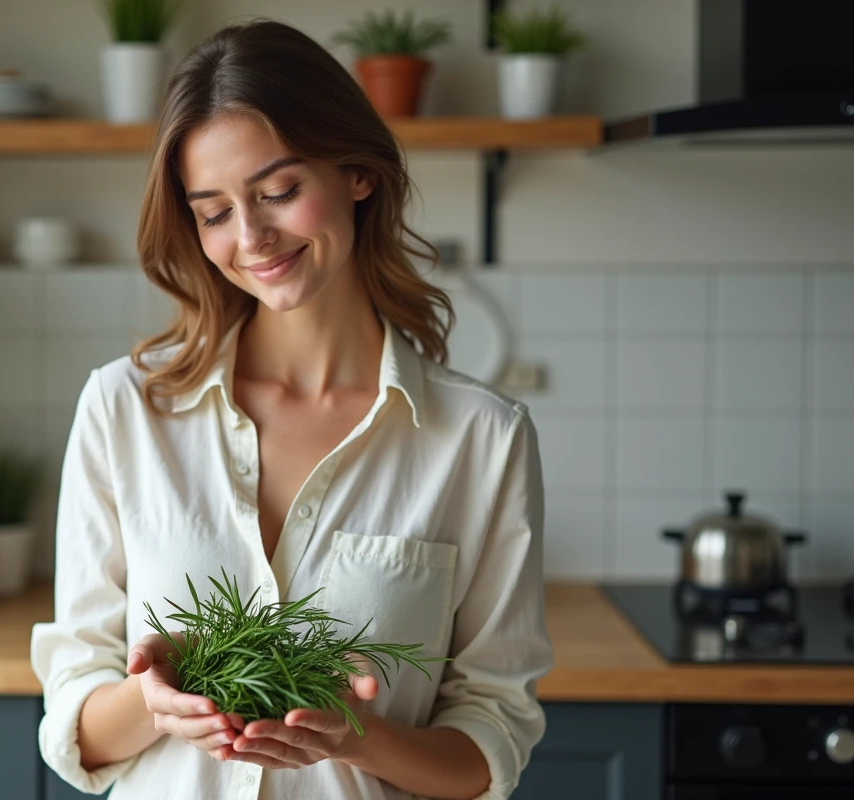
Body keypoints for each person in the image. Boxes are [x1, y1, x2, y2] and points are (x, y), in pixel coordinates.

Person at [30, 18, 552, 800]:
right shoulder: (125, 409)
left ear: (357, 173)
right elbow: (75, 724)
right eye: (213, 212)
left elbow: (491, 739)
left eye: (278, 191)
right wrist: (155, 702)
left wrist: (356, 736)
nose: (252, 237)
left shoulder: (479, 438)